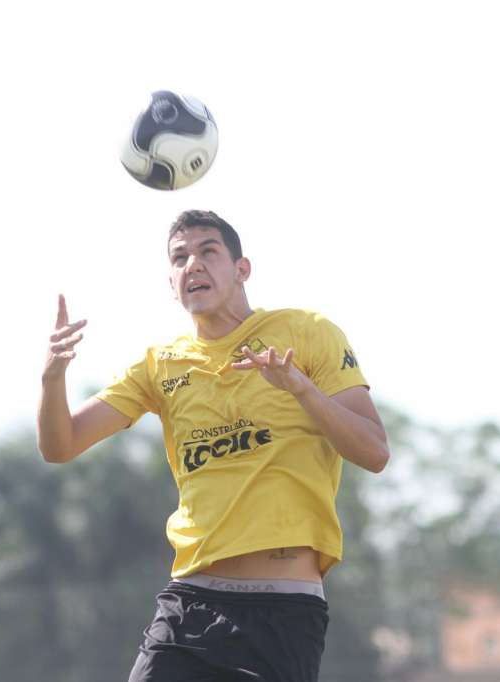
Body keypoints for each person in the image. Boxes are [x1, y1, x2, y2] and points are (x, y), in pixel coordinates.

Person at [38, 209, 390, 682]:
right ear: (171, 281)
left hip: (282, 608)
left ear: (241, 269)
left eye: (208, 252)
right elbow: (61, 446)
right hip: (191, 599)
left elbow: (374, 451)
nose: (193, 266)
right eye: (179, 258)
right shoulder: (159, 366)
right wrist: (52, 377)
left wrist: (302, 390)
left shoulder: (306, 333)